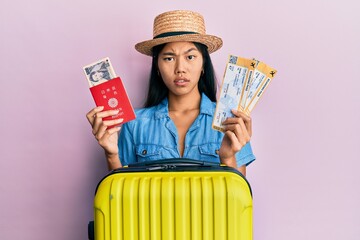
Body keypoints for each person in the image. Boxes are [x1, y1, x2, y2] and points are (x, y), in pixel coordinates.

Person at [86, 10, 255, 176]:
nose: (180, 69)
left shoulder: (230, 121)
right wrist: (111, 155)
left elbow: (237, 199)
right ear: (157, 67)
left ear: (203, 65)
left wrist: (227, 157)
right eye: (169, 58)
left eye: (190, 57)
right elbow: (121, 196)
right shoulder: (134, 124)